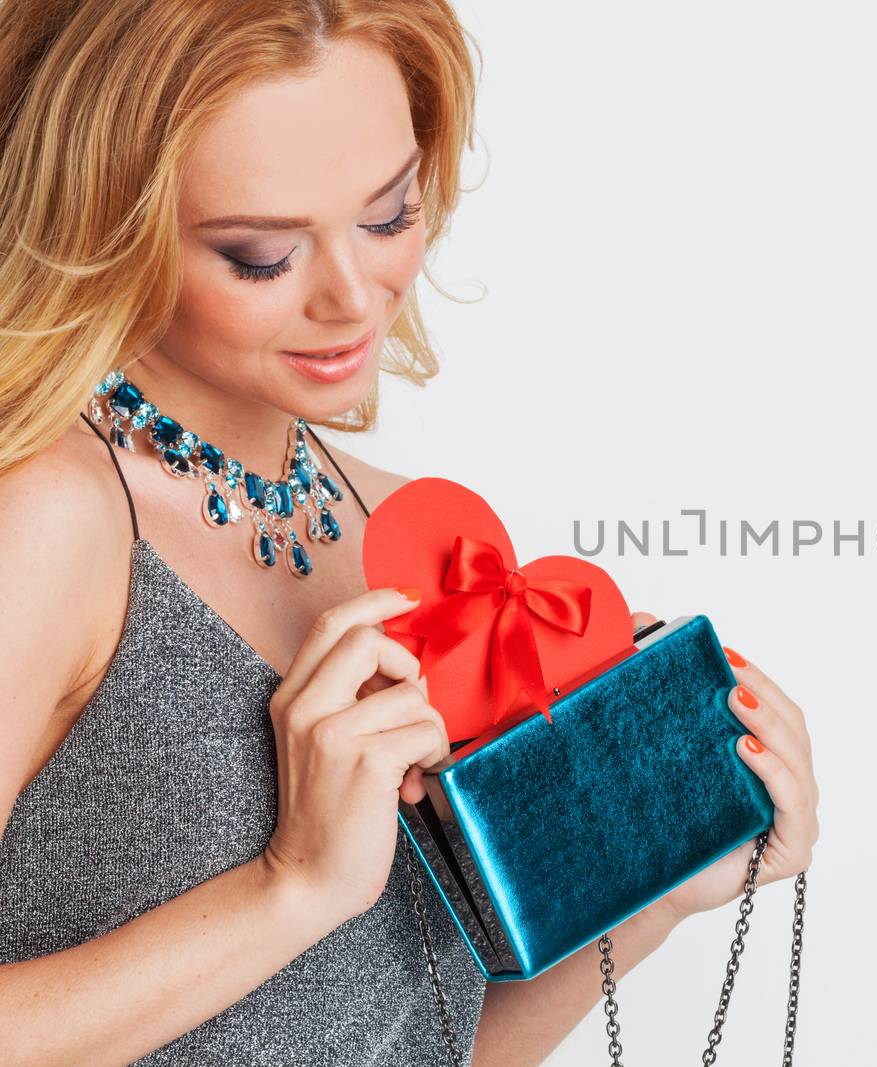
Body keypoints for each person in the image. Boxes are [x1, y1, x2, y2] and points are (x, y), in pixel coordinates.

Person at [0, 3, 821, 1064]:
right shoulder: (52, 519)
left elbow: (421, 1036)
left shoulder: (410, 533)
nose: (353, 299)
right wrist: (289, 887)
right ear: (100, 222)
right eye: (260, 255)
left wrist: (661, 881)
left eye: (388, 215)